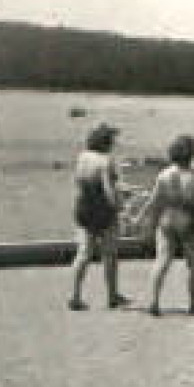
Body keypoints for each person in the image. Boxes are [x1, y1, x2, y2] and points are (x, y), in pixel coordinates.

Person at [139, 134, 194, 316]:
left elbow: (154, 201)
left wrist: (140, 218)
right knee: (193, 265)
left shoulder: (164, 174)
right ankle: (193, 304)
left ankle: (154, 301)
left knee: (162, 261)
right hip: (187, 221)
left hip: (167, 219)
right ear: (191, 154)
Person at [68, 123, 126, 311]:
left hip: (84, 207)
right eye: (112, 140)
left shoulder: (82, 157)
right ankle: (112, 296)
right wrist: (119, 206)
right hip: (103, 211)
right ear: (106, 142)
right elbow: (109, 190)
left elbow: (79, 183)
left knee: (83, 253)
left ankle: (75, 295)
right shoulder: (105, 161)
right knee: (110, 254)